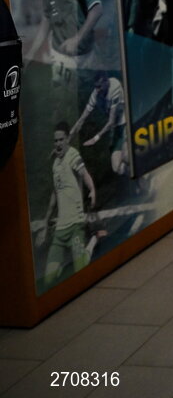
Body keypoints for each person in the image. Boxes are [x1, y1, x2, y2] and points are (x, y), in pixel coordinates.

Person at [36, 121, 97, 288]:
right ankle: (62, 265)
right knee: (49, 279)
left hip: (76, 225)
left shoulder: (73, 155)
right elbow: (54, 194)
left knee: (81, 271)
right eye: (55, 141)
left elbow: (84, 174)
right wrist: (45, 224)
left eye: (61, 140)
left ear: (67, 139)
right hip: (60, 231)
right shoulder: (55, 164)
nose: (58, 144)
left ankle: (93, 241)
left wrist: (92, 189)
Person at [69, 73, 129, 177]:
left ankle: (143, 167)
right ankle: (140, 177)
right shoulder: (95, 95)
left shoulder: (115, 87)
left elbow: (111, 121)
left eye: (99, 86)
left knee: (127, 156)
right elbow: (82, 118)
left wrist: (95, 138)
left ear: (106, 82)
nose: (97, 90)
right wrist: (69, 137)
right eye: (96, 86)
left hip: (125, 123)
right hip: (116, 129)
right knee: (116, 168)